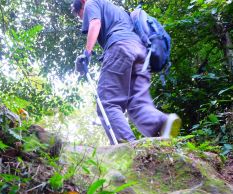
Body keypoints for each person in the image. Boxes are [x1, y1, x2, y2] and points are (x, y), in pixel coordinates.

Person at [71, 0, 181, 144]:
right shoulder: (118, 10)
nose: (83, 19)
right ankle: (163, 122)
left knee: (107, 103)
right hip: (141, 52)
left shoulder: (91, 2)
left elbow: (95, 23)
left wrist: (87, 54)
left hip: (120, 48)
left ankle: (127, 148)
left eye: (82, 16)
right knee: (137, 104)